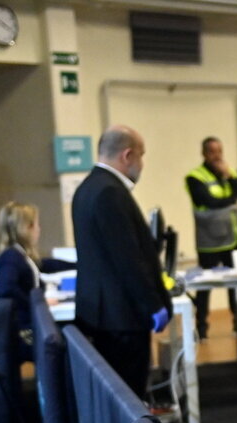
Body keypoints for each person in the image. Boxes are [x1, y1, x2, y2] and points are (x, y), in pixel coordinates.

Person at [72, 124, 172, 399]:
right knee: (129, 394)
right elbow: (128, 259)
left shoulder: (88, 188)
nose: (142, 164)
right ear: (127, 155)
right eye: (141, 155)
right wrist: (152, 305)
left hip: (102, 313)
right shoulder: (110, 193)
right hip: (121, 319)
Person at [185, 136, 237, 339]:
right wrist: (231, 199)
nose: (217, 156)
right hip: (209, 241)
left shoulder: (228, 173)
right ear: (204, 153)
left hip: (232, 238)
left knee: (236, 284)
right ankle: (202, 328)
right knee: (204, 287)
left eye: (220, 151)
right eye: (213, 152)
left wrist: (229, 177)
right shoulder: (194, 177)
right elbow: (206, 200)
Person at [0, 202, 74, 362]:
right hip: (24, 332)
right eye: (37, 224)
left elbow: (44, 264)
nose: (39, 229)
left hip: (27, 326)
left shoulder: (19, 254)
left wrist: (81, 264)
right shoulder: (12, 257)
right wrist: (38, 305)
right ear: (27, 228)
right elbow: (5, 288)